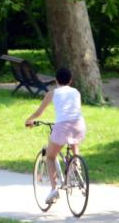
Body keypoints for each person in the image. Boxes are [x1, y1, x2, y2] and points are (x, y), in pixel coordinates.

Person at [25, 67, 86, 204]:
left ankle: (54, 189)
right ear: (70, 80)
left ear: (56, 79)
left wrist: (29, 120)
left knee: (51, 156)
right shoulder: (76, 92)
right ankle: (76, 163)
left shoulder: (52, 93)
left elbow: (39, 112)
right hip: (79, 124)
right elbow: (74, 111)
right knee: (73, 139)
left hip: (62, 126)